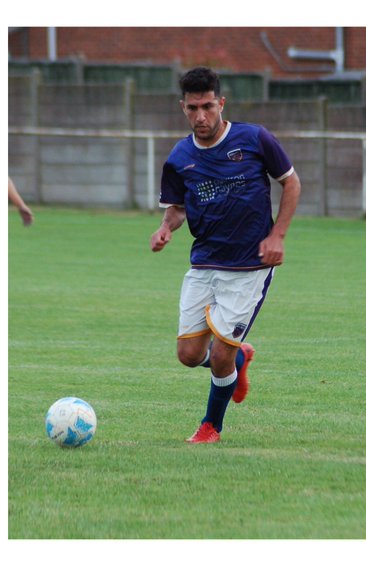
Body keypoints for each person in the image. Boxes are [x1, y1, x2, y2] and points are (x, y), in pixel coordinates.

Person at [150, 67, 301, 444]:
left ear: (221, 103)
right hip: (203, 263)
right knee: (187, 354)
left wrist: (278, 235)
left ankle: (210, 427)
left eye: (207, 106)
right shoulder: (180, 156)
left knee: (218, 356)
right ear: (182, 108)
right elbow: (178, 207)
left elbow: (291, 182)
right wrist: (166, 227)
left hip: (250, 266)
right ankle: (238, 359)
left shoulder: (254, 139)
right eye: (192, 109)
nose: (201, 116)